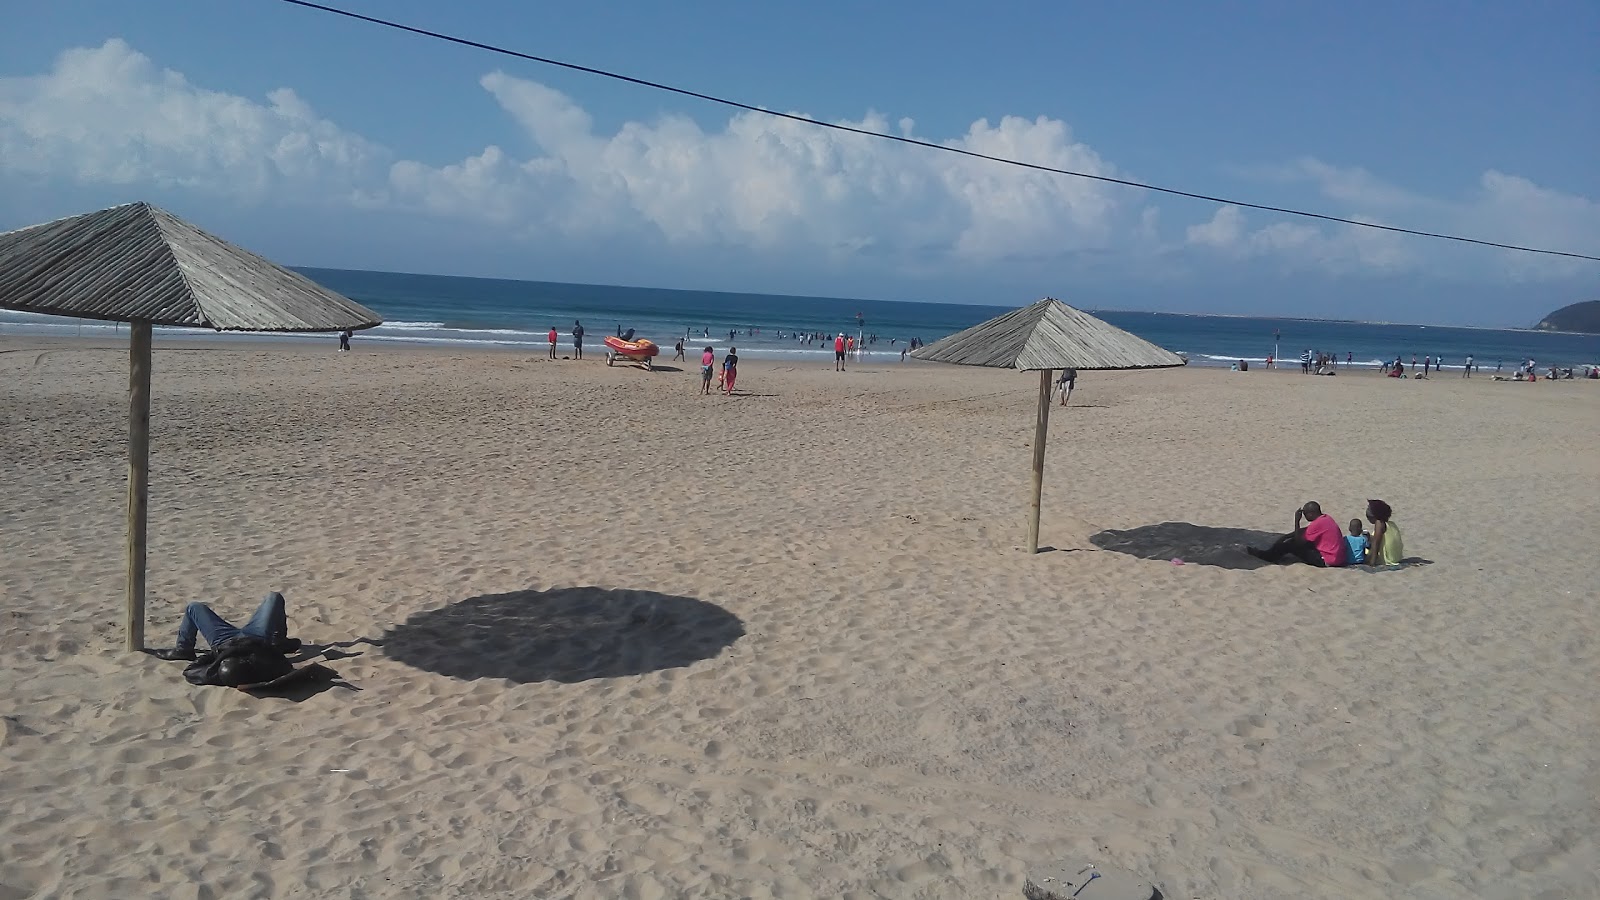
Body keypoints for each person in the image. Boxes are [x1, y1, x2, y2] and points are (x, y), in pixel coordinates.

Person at [151, 592, 300, 661]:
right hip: (256, 640)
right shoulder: (263, 660)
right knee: (274, 597)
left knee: (193, 607)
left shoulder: (227, 665)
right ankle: (278, 640)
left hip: (226, 643)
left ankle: (183, 649)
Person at [1247, 501, 1347, 567]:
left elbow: (1299, 542)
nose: (1304, 516)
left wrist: (1297, 521)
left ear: (1311, 513)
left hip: (1327, 560)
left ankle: (1268, 556)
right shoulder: (1326, 519)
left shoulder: (1317, 523)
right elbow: (1306, 531)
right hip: (1336, 558)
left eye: (1305, 514)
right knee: (1292, 539)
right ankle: (1272, 553)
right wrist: (1286, 536)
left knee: (1291, 544)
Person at [1365, 499, 1404, 566]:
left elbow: (1376, 543)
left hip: (1388, 560)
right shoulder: (1392, 524)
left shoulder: (1379, 523)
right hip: (1396, 558)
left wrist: (1372, 563)